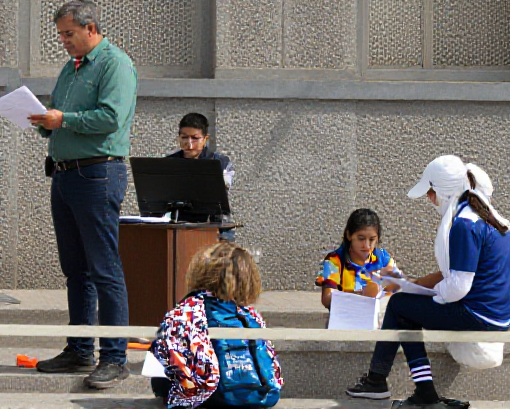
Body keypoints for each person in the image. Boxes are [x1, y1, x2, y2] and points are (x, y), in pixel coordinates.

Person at [28, 0, 139, 390]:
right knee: (75, 268)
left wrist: (64, 119)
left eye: (69, 34)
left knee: (104, 268)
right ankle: (79, 349)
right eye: (60, 35)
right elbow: (60, 114)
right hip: (65, 175)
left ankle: (114, 356)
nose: (64, 42)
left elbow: (111, 117)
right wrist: (44, 121)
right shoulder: (70, 69)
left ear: (91, 28)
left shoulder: (115, 64)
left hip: (98, 173)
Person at [346, 156, 510, 409]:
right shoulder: (486, 216)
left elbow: (457, 287)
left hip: (479, 315)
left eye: (431, 192)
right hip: (496, 314)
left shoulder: (464, 225)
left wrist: (426, 297)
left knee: (400, 307)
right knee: (404, 305)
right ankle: (396, 385)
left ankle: (381, 381)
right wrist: (414, 286)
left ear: (444, 191)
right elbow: (455, 275)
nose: (429, 198)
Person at [150, 242, 284, 408]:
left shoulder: (187, 310)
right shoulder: (250, 315)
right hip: (262, 395)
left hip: (208, 397)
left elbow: (162, 357)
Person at [166, 113, 236, 241]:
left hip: (214, 224)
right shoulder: (169, 163)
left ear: (205, 139)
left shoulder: (220, 162)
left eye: (195, 138)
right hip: (178, 222)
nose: (189, 144)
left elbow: (221, 193)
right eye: (184, 138)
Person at [317, 208, 403, 309]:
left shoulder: (383, 258)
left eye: (372, 239)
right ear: (349, 235)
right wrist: (361, 295)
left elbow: (397, 288)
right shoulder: (334, 260)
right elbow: (326, 299)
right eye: (361, 239)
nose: (366, 245)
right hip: (345, 317)